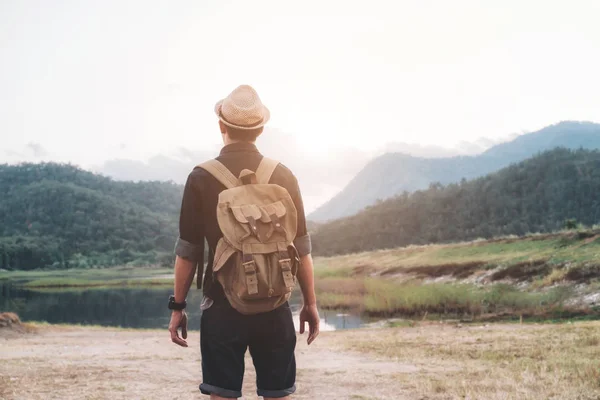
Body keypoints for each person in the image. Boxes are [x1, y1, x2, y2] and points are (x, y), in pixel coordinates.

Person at [168, 85, 320, 399]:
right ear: (261, 129)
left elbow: (188, 252)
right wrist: (310, 303)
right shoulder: (283, 175)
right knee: (277, 394)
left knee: (221, 394)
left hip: (222, 304)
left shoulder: (201, 177)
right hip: (275, 302)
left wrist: (178, 307)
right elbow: (302, 248)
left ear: (221, 126)